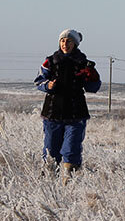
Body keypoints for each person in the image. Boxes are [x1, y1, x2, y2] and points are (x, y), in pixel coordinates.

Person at [34, 28, 101, 178]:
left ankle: (70, 182)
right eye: (62, 40)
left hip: (75, 114)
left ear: (75, 44)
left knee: (71, 149)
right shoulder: (50, 61)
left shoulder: (84, 63)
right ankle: (48, 184)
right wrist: (48, 85)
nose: (65, 44)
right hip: (52, 113)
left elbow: (93, 87)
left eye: (69, 41)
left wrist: (92, 77)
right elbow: (38, 81)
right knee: (51, 150)